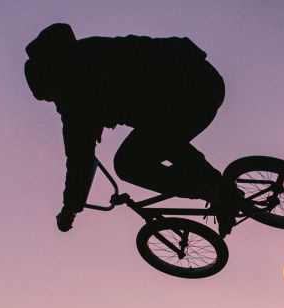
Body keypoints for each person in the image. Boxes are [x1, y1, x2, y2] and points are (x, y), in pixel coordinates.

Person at [24, 23, 240, 235]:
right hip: (203, 79)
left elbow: (79, 159)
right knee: (160, 140)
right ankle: (221, 189)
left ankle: (213, 191)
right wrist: (98, 119)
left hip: (186, 93)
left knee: (129, 163)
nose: (55, 103)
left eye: (49, 97)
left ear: (51, 78)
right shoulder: (87, 52)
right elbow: (117, 83)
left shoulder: (74, 94)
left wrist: (69, 210)